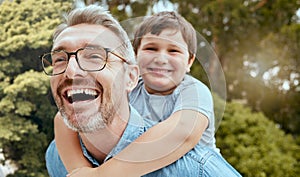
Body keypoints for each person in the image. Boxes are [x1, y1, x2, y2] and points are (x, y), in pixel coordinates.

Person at [44, 4, 242, 177]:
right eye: (151, 49)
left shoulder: (193, 91)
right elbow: (62, 119)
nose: (161, 59)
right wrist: (80, 169)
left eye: (173, 51)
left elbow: (182, 134)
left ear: (189, 61)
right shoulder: (128, 84)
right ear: (135, 56)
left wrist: (102, 174)